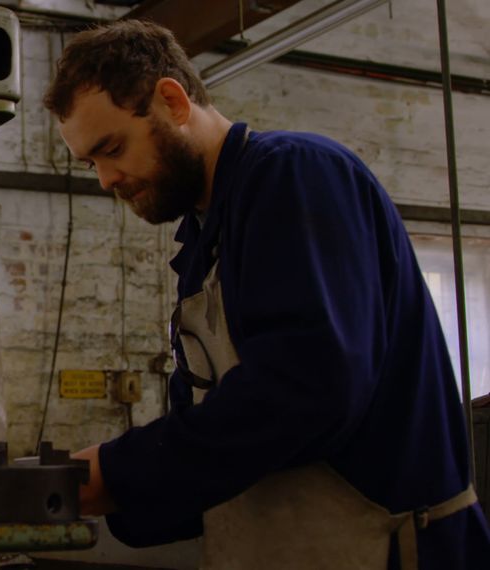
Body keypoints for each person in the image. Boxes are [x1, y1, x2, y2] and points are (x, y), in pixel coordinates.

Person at [43, 19, 490, 569]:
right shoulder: (203, 247)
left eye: (112, 149)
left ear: (172, 101)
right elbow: (214, 440)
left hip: (393, 549)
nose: (106, 180)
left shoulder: (296, 176)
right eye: (92, 163)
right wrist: (108, 493)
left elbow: (310, 385)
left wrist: (114, 472)